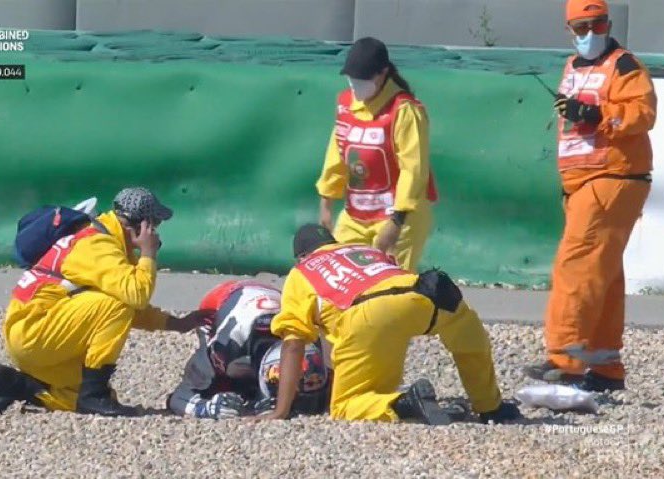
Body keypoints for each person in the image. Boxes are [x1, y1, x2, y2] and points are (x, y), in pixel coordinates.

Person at [257, 224, 520, 424]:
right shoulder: (364, 250)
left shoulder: (302, 272)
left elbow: (293, 345)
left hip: (368, 312)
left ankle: (404, 403)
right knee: (469, 341)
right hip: (429, 291)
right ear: (332, 242)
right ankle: (490, 408)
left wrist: (281, 410)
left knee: (346, 405)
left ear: (301, 256)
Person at [0, 187, 208, 417]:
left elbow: (127, 308)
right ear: (139, 226)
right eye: (154, 225)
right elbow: (134, 297)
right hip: (35, 333)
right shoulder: (97, 246)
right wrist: (148, 254)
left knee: (79, 398)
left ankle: (18, 385)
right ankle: (94, 394)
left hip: (34, 336)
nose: (155, 233)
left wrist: (175, 323)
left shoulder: (106, 242)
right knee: (117, 303)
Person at [526, 0, 656, 392]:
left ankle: (564, 360)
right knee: (603, 273)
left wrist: (596, 113)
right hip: (586, 181)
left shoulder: (624, 65)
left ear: (608, 23)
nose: (588, 33)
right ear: (569, 30)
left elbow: (643, 112)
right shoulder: (572, 67)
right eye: (580, 27)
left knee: (576, 265)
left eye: (596, 24)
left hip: (611, 176)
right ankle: (604, 365)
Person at [317, 37, 438, 273]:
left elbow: (414, 169)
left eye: (362, 79)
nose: (355, 85)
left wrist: (396, 223)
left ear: (383, 74)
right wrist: (326, 201)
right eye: (351, 79)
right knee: (339, 274)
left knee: (390, 286)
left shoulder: (404, 110)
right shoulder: (345, 105)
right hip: (355, 217)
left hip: (398, 218)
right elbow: (337, 152)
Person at [167, 280, 330, 419]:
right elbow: (177, 398)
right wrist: (204, 408)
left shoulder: (310, 337)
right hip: (222, 300)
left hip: (267, 296)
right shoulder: (227, 345)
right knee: (218, 386)